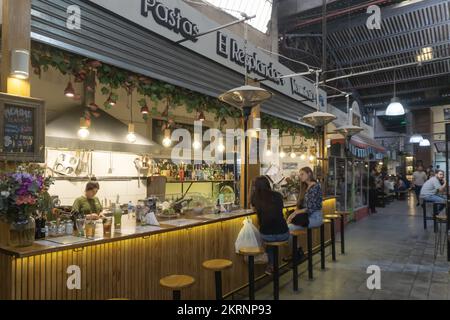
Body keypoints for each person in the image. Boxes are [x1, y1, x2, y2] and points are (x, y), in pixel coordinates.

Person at [250, 176, 289, 275]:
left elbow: (252, 208)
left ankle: (271, 265)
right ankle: (273, 265)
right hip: (283, 233)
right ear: (268, 184)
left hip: (267, 235)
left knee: (269, 239)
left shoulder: (256, 198)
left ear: (256, 187)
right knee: (273, 238)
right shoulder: (278, 195)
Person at [287, 167, 323, 232]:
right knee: (286, 224)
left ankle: (289, 242)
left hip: (315, 217)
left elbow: (311, 208)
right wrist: (292, 215)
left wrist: (295, 213)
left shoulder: (315, 186)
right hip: (304, 217)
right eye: (300, 175)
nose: (300, 176)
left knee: (289, 228)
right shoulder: (304, 186)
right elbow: (300, 205)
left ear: (309, 174)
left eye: (302, 174)